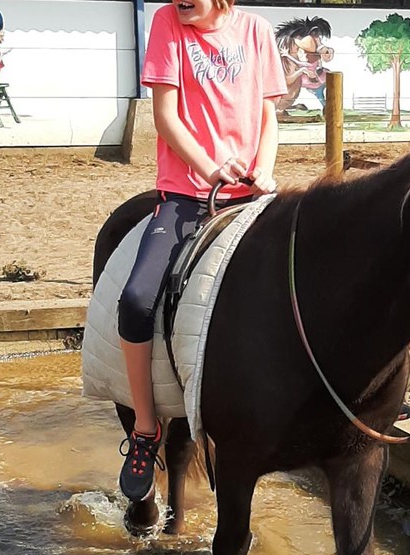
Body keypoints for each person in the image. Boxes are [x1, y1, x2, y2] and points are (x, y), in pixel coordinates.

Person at [116, 0, 286, 503]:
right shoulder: (167, 22)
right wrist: (211, 168)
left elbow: (267, 112)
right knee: (137, 299)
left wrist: (266, 169)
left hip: (252, 194)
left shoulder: (256, 30)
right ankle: (145, 430)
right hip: (187, 193)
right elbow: (166, 117)